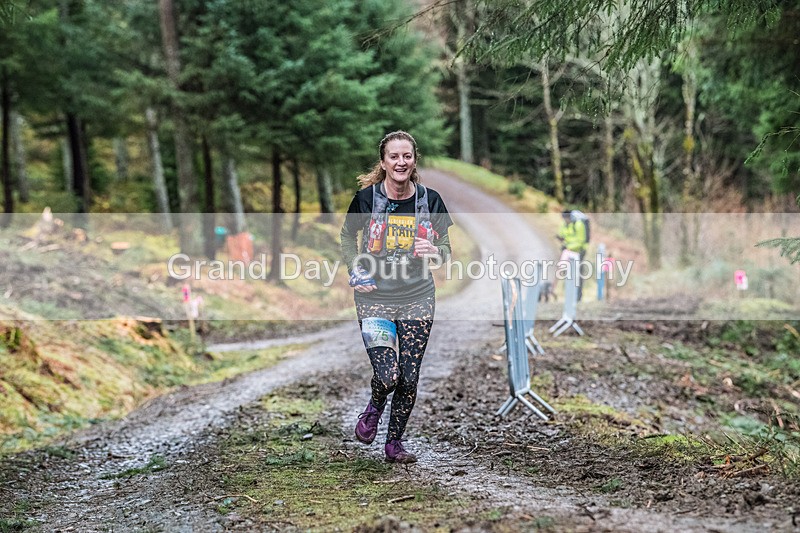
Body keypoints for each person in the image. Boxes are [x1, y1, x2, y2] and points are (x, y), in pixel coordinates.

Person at [340, 130, 453, 464]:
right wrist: (355, 269)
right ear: (384, 162)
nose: (401, 162)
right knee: (388, 375)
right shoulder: (366, 199)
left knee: (409, 375)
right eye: (394, 156)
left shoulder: (430, 201)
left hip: (418, 296)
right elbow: (347, 236)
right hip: (374, 297)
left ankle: (394, 443)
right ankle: (375, 406)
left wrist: (434, 251)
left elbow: (445, 250)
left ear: (414, 160)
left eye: (407, 156)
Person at [556, 209, 589, 301]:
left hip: (579, 252)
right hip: (568, 252)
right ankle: (569, 295)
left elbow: (581, 241)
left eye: (566, 218)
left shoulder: (578, 224)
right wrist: (562, 241)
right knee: (568, 274)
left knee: (578, 274)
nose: (565, 220)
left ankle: (578, 296)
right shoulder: (565, 224)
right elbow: (564, 236)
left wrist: (568, 247)